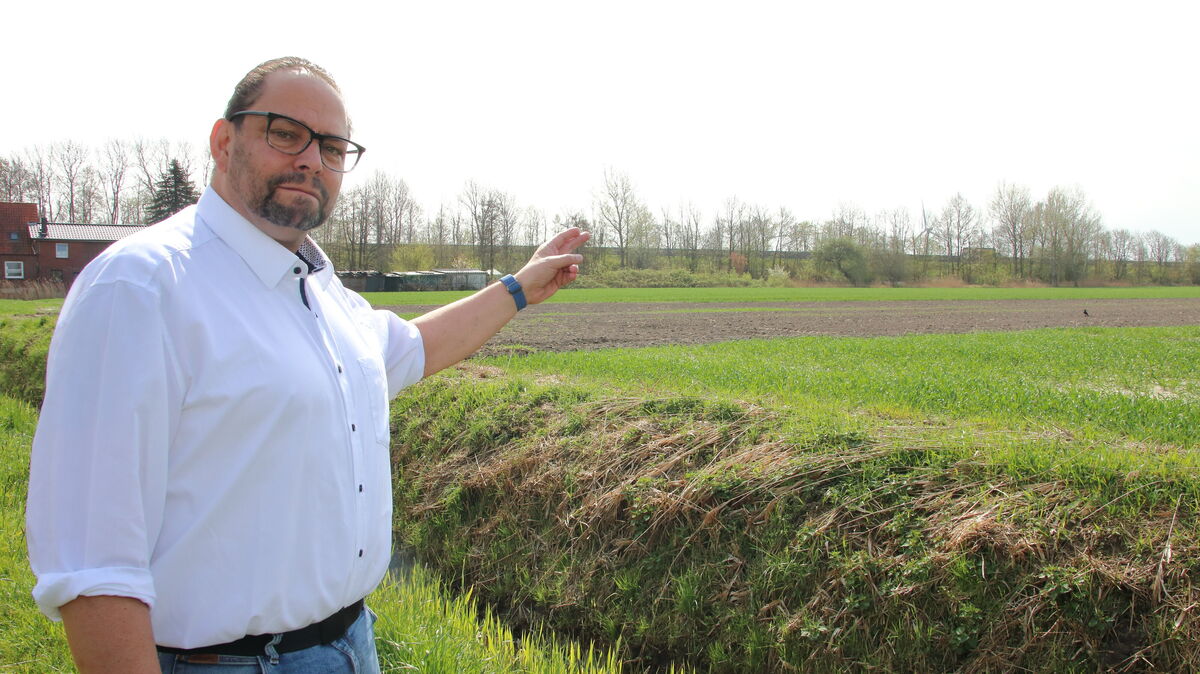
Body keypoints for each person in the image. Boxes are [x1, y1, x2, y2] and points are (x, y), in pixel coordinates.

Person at [25, 56, 589, 673]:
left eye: (332, 147)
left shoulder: (317, 287)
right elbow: (95, 565)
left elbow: (411, 348)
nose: (312, 160)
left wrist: (518, 288)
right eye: (286, 133)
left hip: (351, 644)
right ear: (223, 141)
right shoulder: (142, 287)